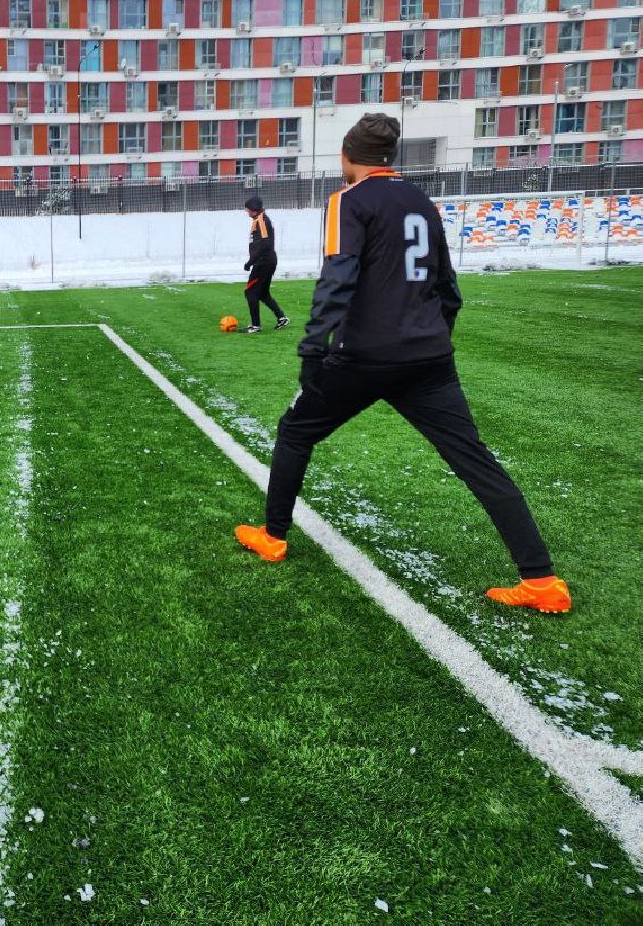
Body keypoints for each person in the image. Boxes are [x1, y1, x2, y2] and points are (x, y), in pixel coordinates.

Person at [234, 113, 570, 613]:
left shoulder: (347, 200)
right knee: (475, 461)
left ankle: (273, 536)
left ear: (348, 157)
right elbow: (447, 285)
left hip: (363, 357)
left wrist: (312, 347)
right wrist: (435, 339)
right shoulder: (421, 202)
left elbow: (337, 277)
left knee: (295, 431)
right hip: (428, 358)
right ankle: (542, 581)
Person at [242, 195, 288, 334]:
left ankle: (256, 325)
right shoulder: (259, 219)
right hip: (266, 261)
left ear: (255, 210)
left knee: (250, 292)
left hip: (264, 262)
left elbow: (266, 243)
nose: (247, 212)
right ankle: (282, 318)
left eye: (248, 209)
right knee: (262, 293)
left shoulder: (262, 220)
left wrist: (250, 262)